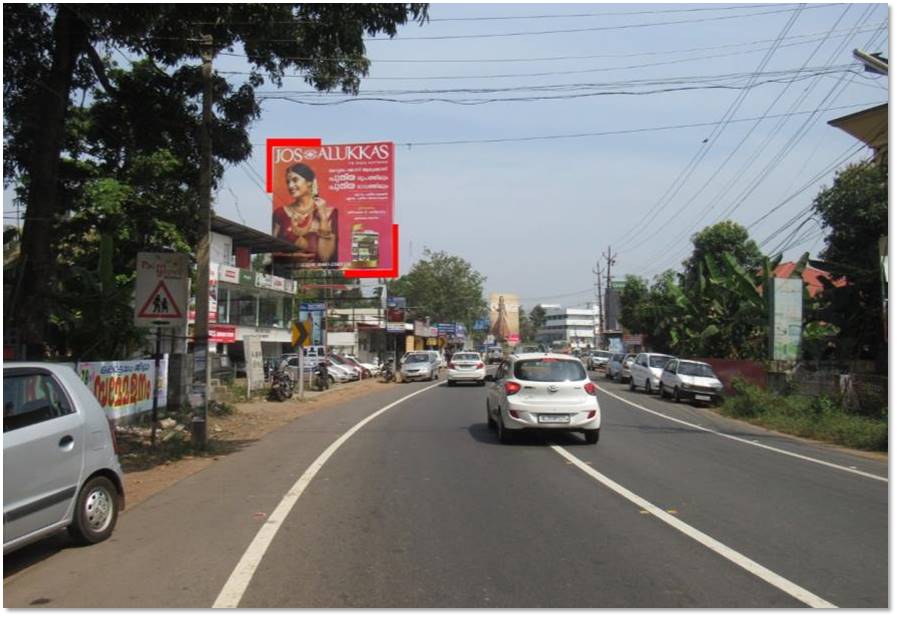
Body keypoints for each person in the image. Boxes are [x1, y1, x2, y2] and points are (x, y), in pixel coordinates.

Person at [272, 163, 338, 264]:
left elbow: (325, 257)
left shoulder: (329, 213)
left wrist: (323, 218)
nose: (290, 186)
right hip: (287, 275)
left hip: (320, 277)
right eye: (288, 182)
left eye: (295, 180)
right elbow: (272, 253)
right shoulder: (280, 213)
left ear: (309, 182)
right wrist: (292, 257)